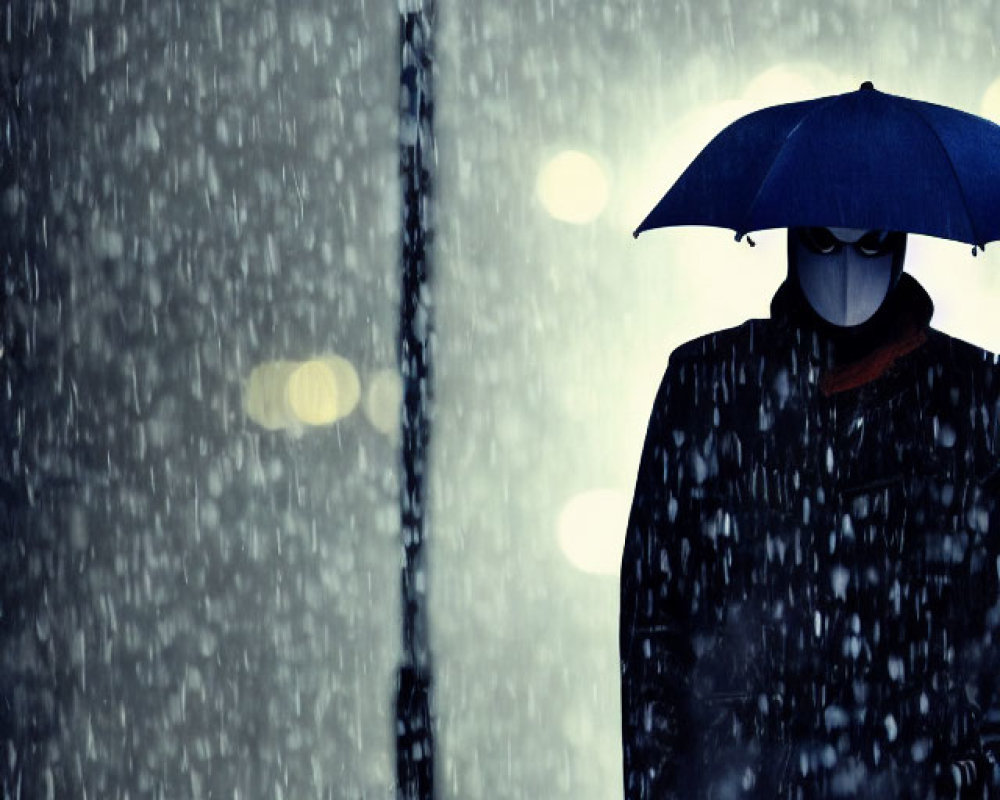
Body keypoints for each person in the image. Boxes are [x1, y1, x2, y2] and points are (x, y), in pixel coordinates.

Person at [620, 226, 1000, 798]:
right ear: (795, 239)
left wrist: (966, 774)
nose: (847, 269)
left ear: (897, 244)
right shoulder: (709, 386)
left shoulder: (973, 397)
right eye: (823, 239)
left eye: (871, 241)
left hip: (915, 774)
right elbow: (656, 623)